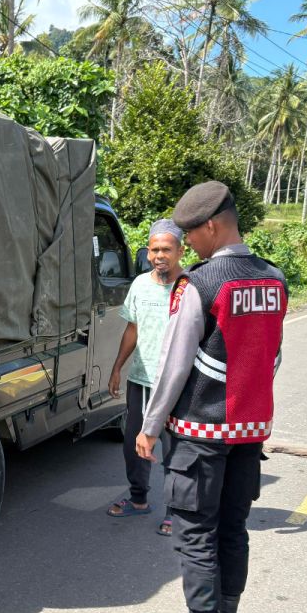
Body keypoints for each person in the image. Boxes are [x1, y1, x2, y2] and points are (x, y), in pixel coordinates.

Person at [136, 181, 287, 613]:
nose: (188, 245)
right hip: (248, 434)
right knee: (231, 530)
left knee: (195, 535)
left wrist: (150, 425)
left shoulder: (201, 284)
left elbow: (174, 366)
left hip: (200, 433)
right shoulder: (273, 278)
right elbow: (272, 357)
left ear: (213, 226)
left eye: (190, 235)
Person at [106, 219, 185, 536]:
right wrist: (117, 367)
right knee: (133, 445)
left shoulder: (191, 285)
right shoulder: (139, 284)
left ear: (180, 250)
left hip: (177, 383)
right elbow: (132, 329)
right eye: (154, 249)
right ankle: (138, 499)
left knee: (174, 450)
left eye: (166, 249)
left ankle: (175, 511)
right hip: (140, 379)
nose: (159, 255)